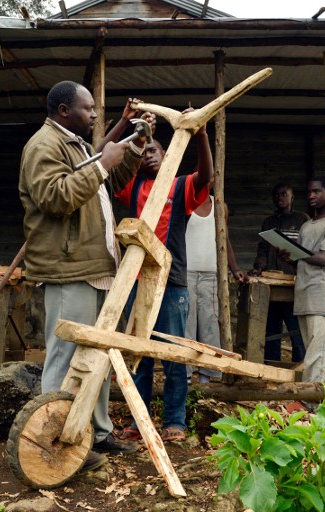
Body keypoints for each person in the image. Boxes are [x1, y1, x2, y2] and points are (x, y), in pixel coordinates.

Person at [19, 81, 151, 465]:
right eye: (88, 108)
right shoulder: (43, 146)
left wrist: (135, 146)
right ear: (63, 111)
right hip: (67, 268)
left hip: (94, 265)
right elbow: (55, 197)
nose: (95, 115)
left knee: (97, 357)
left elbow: (109, 181)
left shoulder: (74, 144)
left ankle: (95, 434)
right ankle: (54, 442)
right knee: (65, 360)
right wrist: (104, 162)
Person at [112, 112, 212, 443]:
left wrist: (200, 134)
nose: (150, 152)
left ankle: (175, 421)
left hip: (172, 284)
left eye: (156, 148)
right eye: (146, 149)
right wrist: (135, 134)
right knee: (138, 353)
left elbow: (206, 175)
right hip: (135, 281)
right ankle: (138, 422)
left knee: (172, 357)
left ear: (169, 155)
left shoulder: (180, 185)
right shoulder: (133, 185)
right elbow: (113, 164)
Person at [279, 176, 325, 385]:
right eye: (309, 192)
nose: (312, 196)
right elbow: (304, 263)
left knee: (316, 352)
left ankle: (309, 399)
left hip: (321, 294)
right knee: (324, 350)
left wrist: (298, 253)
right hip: (303, 292)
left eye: (317, 191)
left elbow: (323, 258)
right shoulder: (306, 226)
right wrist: (290, 257)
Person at [184, 181, 245, 384]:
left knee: (210, 323)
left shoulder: (220, 207)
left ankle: (208, 375)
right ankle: (185, 374)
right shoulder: (186, 202)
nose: (205, 180)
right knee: (187, 323)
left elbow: (224, 239)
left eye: (209, 177)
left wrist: (234, 268)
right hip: (187, 273)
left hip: (211, 275)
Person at [251, 183, 310, 362]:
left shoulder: (302, 220)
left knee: (296, 329)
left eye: (284, 194)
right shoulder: (269, 222)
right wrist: (259, 267)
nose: (280, 198)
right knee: (271, 328)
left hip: (294, 283)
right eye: (277, 195)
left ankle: (299, 367)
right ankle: (272, 365)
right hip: (273, 283)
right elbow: (263, 249)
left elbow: (307, 250)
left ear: (292, 197)